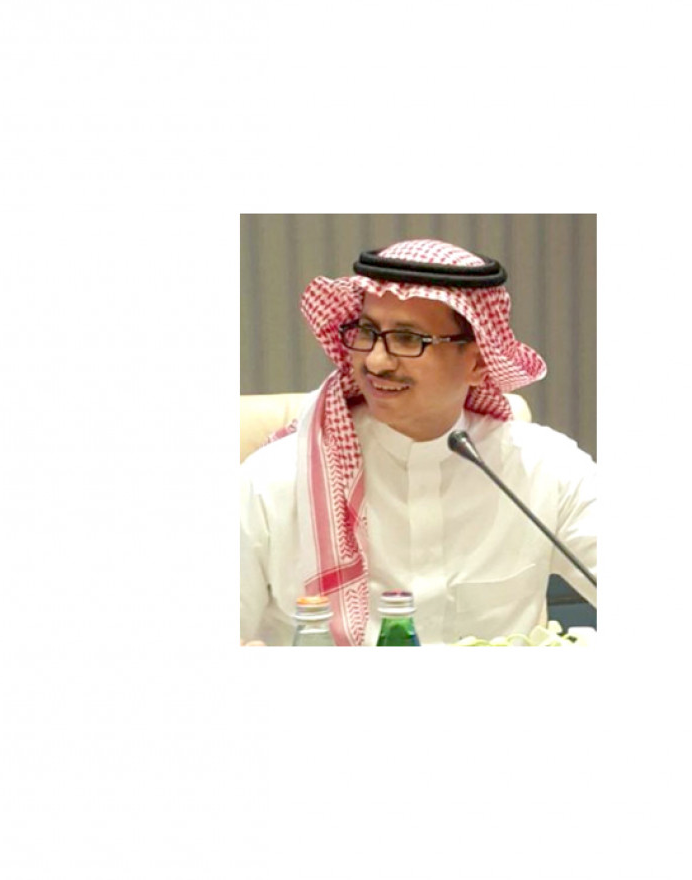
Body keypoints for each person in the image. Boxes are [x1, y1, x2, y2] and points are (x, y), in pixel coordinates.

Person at [239, 238, 597, 646]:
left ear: (478, 362)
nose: (376, 361)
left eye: (409, 339)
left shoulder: (545, 470)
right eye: (367, 332)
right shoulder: (271, 481)